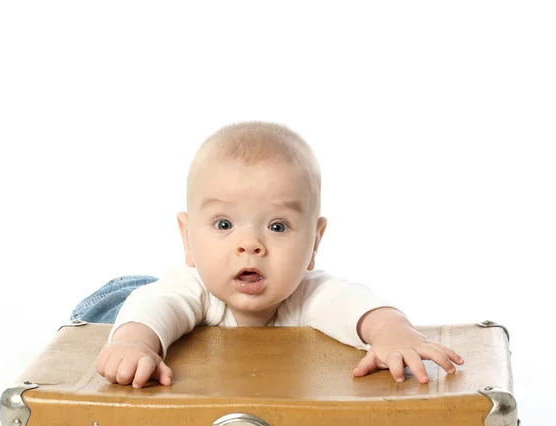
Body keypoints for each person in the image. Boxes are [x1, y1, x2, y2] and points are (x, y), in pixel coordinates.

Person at [73, 121, 464, 388]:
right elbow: (154, 307)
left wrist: (394, 335)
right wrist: (136, 344)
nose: (250, 245)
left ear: (314, 243)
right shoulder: (191, 289)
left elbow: (360, 306)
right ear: (188, 239)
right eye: (224, 225)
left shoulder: (308, 293)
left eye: (277, 227)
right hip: (124, 301)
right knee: (123, 329)